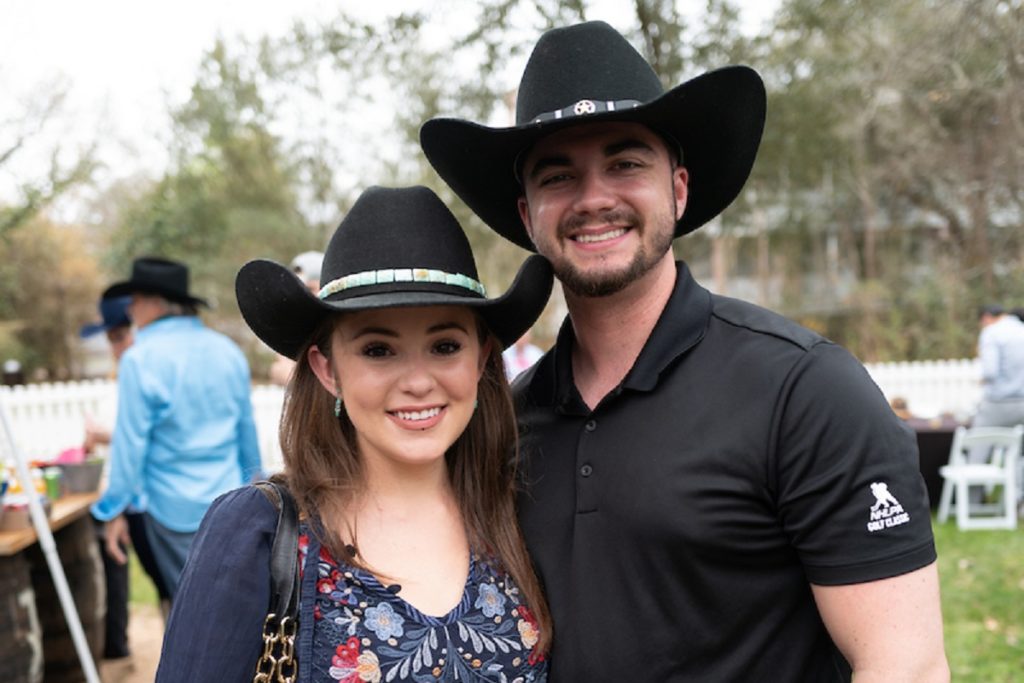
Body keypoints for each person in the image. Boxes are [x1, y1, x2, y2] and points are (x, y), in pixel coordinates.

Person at [421, 21, 948, 681]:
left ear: (678, 187)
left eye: (625, 163)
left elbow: (907, 665)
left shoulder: (804, 391)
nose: (594, 198)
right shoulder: (506, 421)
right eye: (559, 175)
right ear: (527, 216)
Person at [157, 186, 553, 681]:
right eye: (378, 350)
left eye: (445, 345)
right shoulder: (258, 537)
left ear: (480, 358)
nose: (417, 381)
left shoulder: (519, 512)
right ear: (328, 370)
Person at [91, 257, 263, 600]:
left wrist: (110, 509)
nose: (130, 311)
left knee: (190, 608)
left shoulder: (139, 359)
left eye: (134, 301)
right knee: (237, 605)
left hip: (172, 508)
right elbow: (246, 430)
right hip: (231, 500)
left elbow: (130, 444)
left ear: (155, 303)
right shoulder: (227, 351)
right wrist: (257, 486)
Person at [80, 295, 172, 674]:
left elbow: (147, 437)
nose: (114, 346)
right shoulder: (122, 376)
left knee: (178, 591)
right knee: (167, 590)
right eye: (110, 338)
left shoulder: (152, 370)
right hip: (136, 503)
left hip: (160, 502)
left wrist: (107, 435)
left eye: (119, 335)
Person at [269, 250, 325, 386]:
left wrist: (293, 377)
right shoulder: (291, 331)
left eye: (310, 289)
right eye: (297, 291)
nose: (302, 297)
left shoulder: (340, 329)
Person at [971, 304, 1024, 437]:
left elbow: (990, 372)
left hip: (999, 403)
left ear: (986, 317)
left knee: (978, 448)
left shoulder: (991, 332)